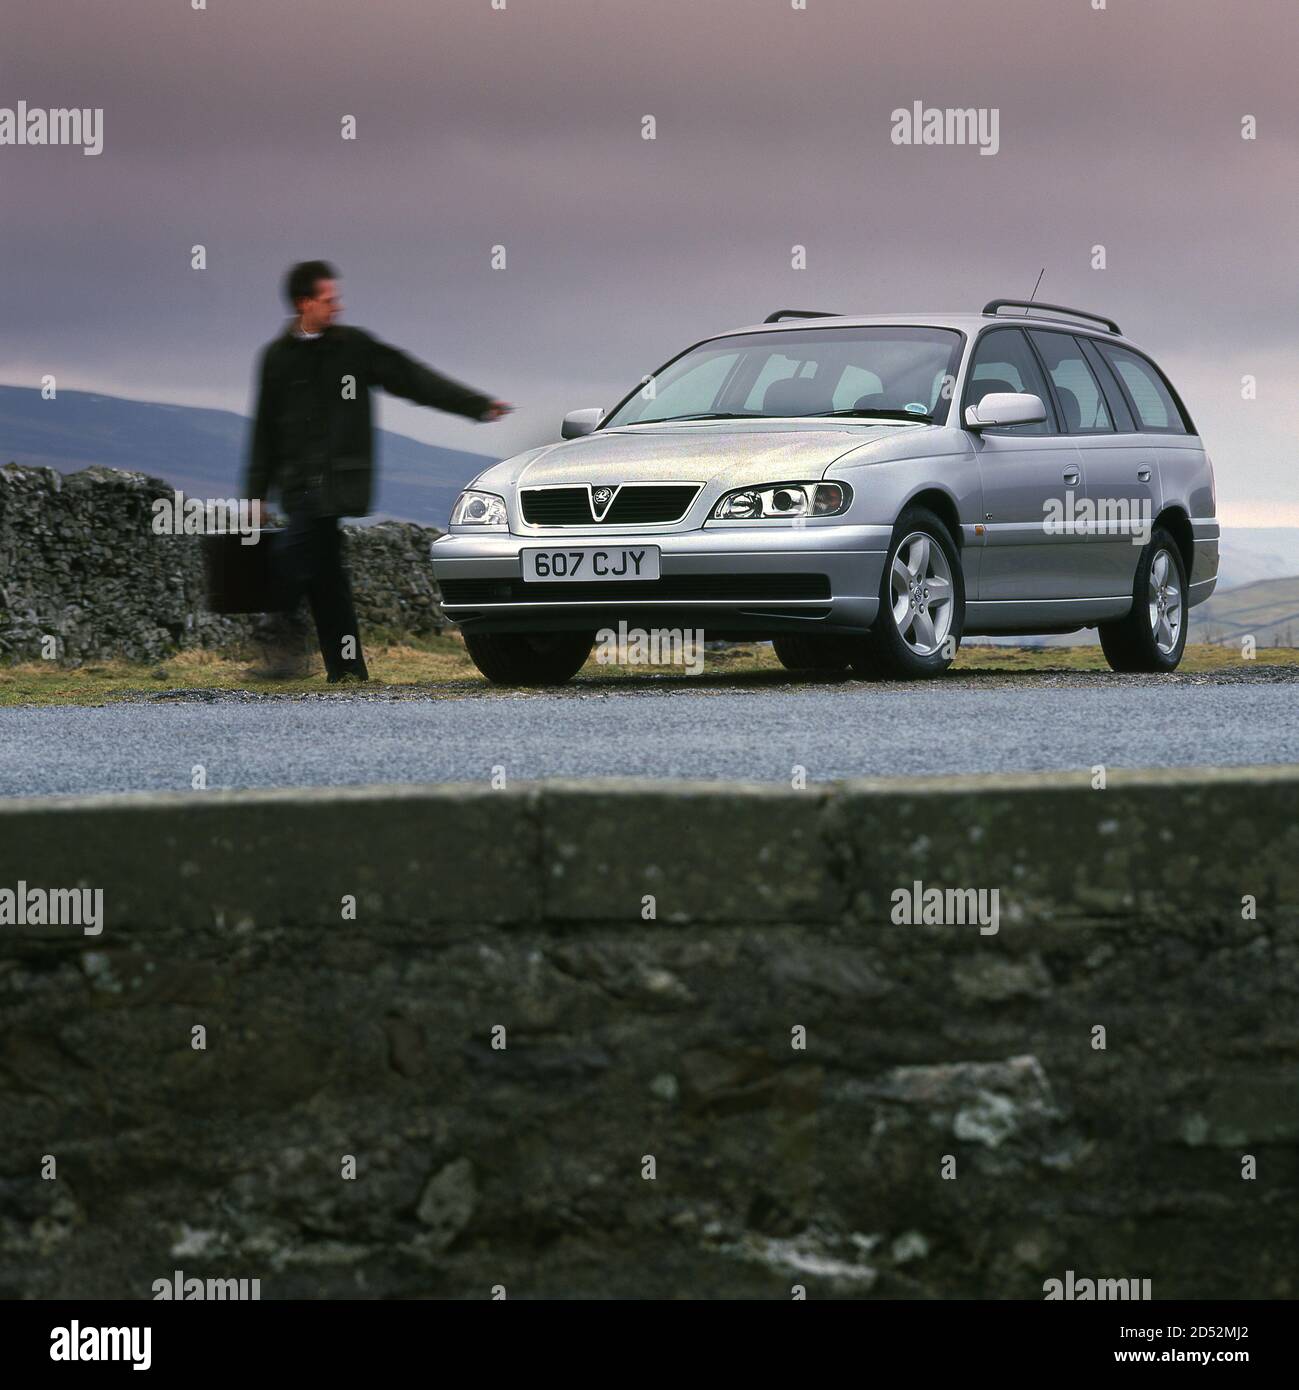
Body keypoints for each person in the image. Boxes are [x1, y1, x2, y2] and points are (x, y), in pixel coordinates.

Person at [245, 259, 510, 681]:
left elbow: (411, 377)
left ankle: (284, 645)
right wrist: (255, 493)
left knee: (299, 561)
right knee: (326, 579)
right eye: (330, 299)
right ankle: (346, 671)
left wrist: (474, 404)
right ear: (304, 302)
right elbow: (263, 428)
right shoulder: (276, 359)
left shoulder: (354, 347)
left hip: (336, 484)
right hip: (299, 485)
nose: (338, 307)